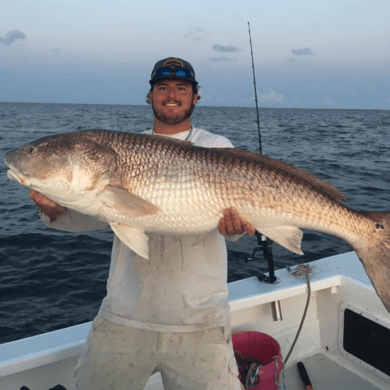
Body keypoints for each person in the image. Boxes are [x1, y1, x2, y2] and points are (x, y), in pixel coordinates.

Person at [30, 57, 255, 390]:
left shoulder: (217, 147)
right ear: (149, 96)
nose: (171, 95)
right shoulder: (120, 149)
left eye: (182, 87)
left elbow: (231, 226)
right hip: (125, 313)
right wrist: (54, 210)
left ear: (196, 97)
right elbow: (94, 213)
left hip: (201, 318)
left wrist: (236, 228)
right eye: (162, 87)